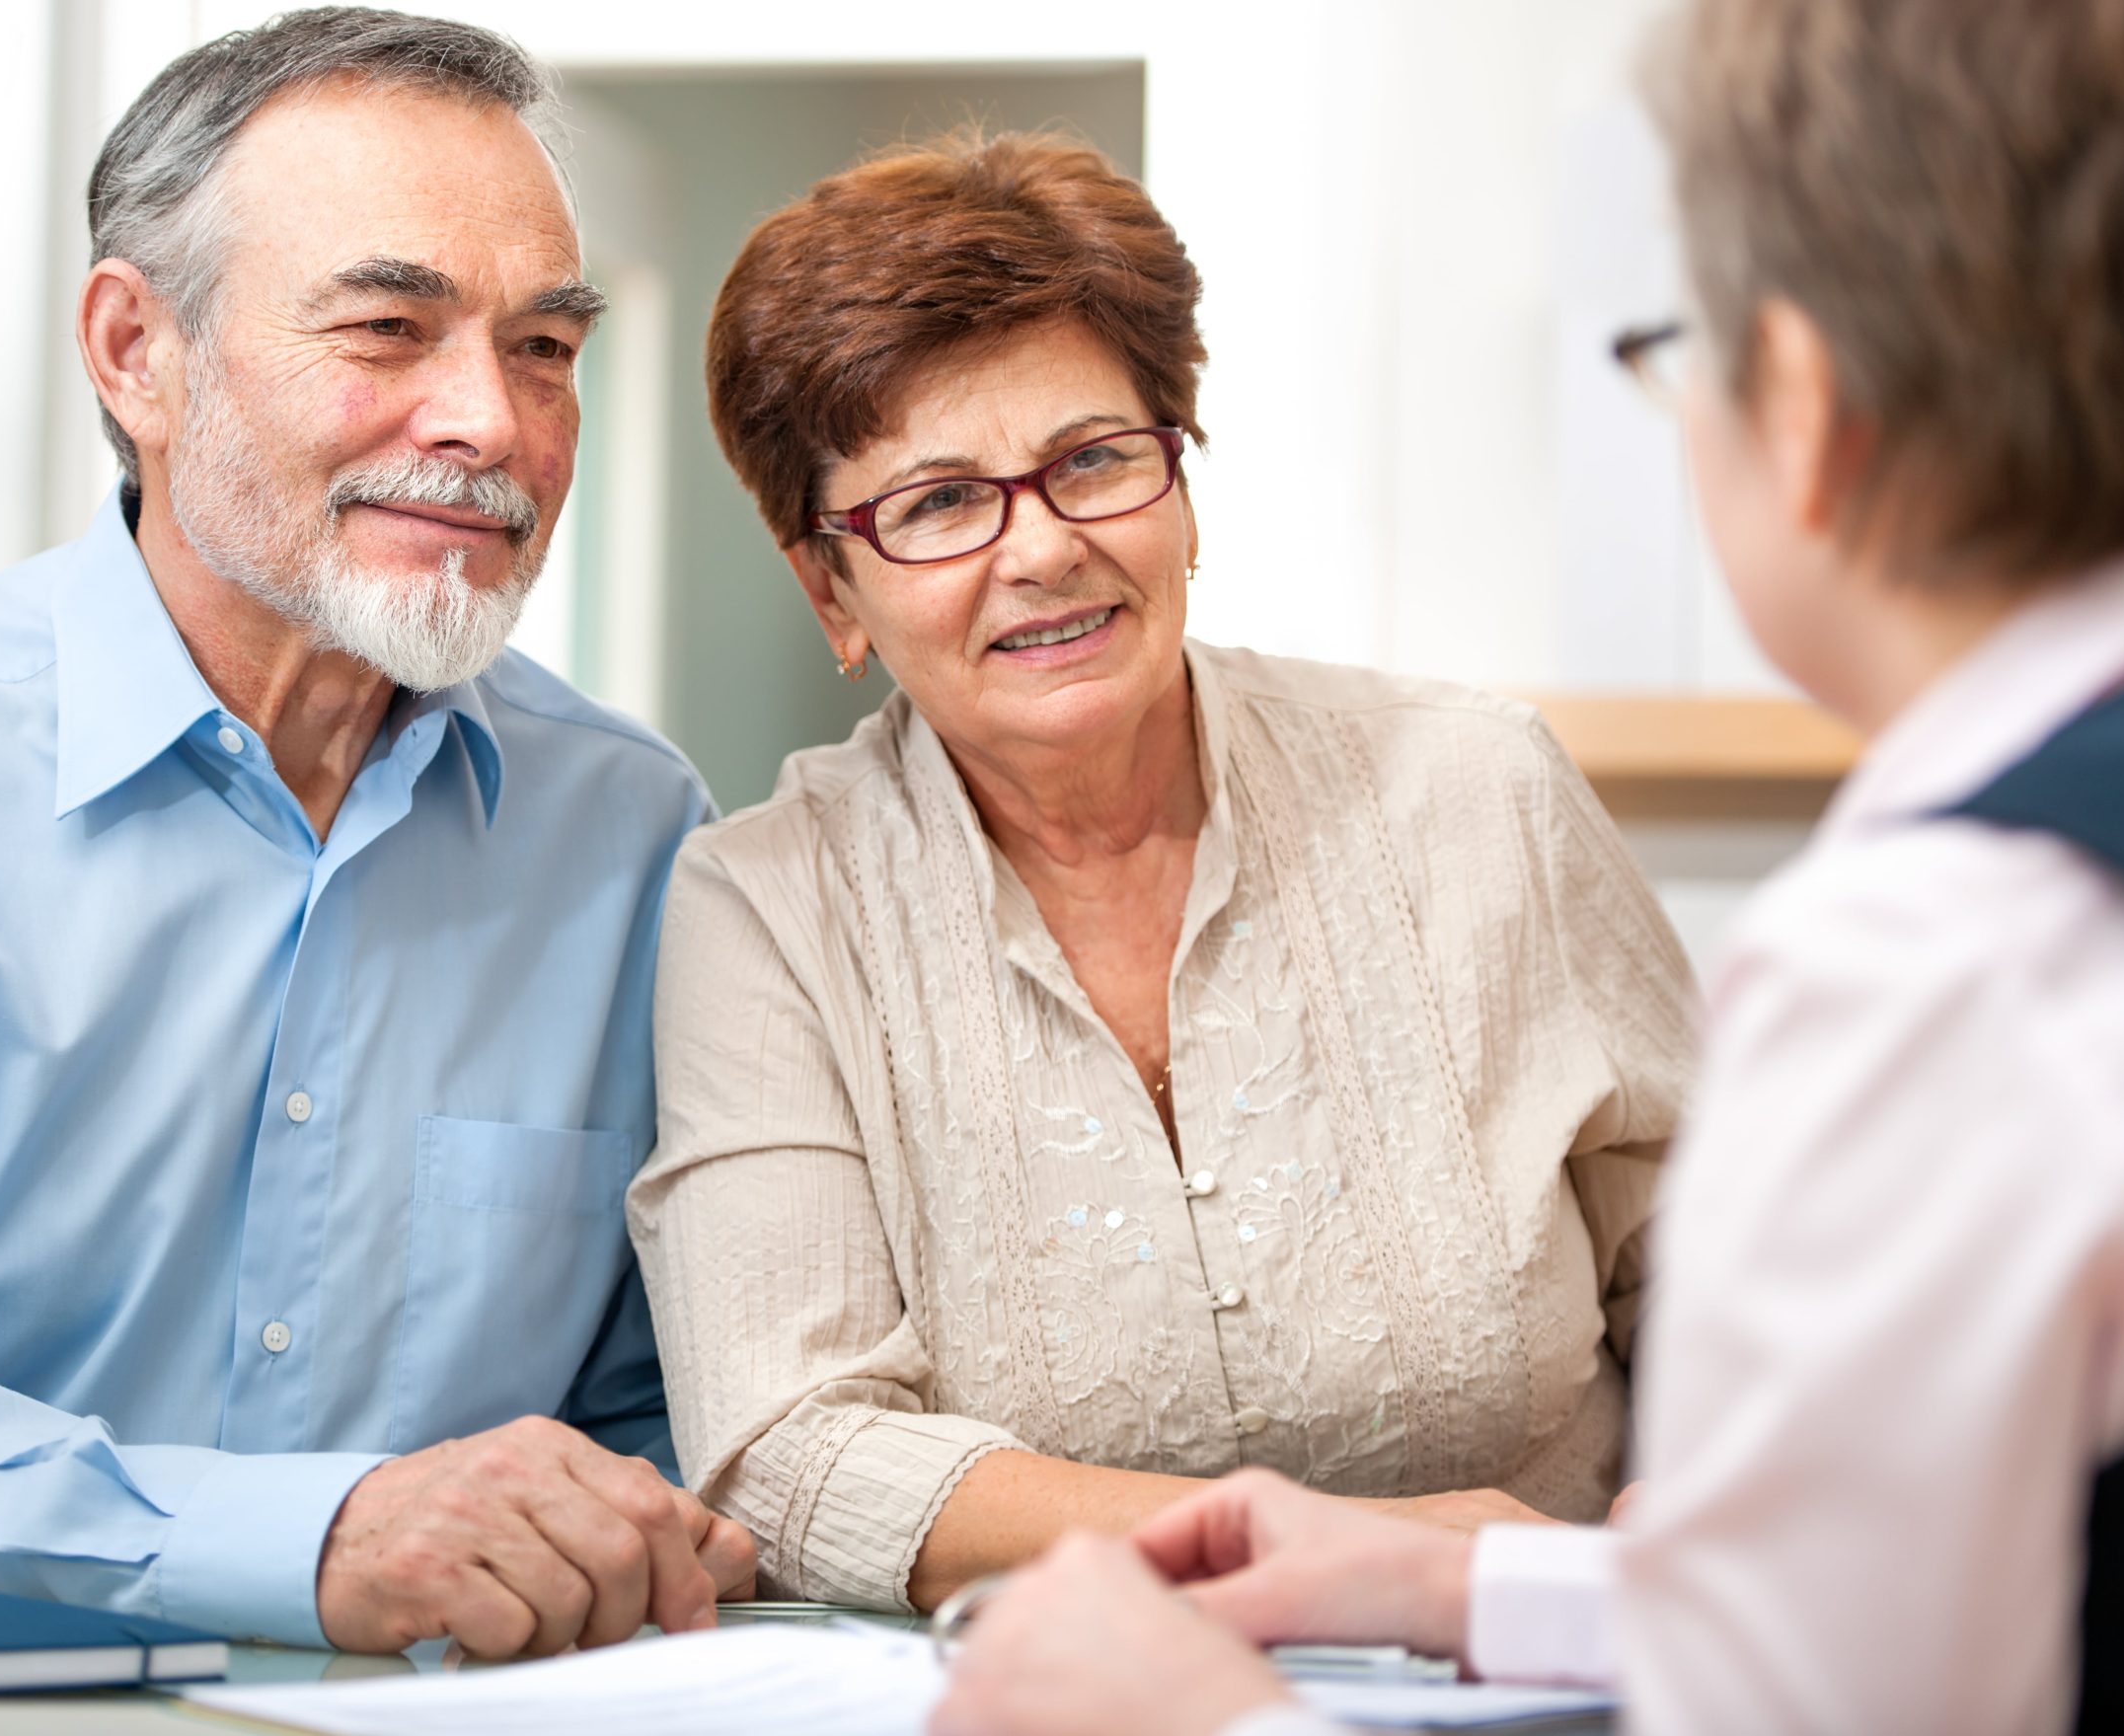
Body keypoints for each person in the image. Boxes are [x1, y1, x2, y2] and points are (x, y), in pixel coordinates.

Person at [930, 0, 2124, 1730]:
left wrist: (1196, 1721)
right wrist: (1478, 1580)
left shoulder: (1947, 964)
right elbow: (1926, 1598)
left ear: (1807, 408)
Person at [0, 7, 754, 1658]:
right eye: (390, 326)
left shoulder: (636, 828)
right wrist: (308, 1541)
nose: (490, 423)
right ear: (134, 353)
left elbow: (648, 1421)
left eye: (544, 347)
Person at [626, 130, 1698, 1615]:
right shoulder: (767, 910)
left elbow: (1722, 1278)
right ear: (833, 589)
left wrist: (1717, 1483)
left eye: (1093, 462)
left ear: (1181, 488)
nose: (1043, 549)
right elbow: (786, 1452)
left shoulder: (1479, 790)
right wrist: (1297, 1549)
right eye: (938, 502)